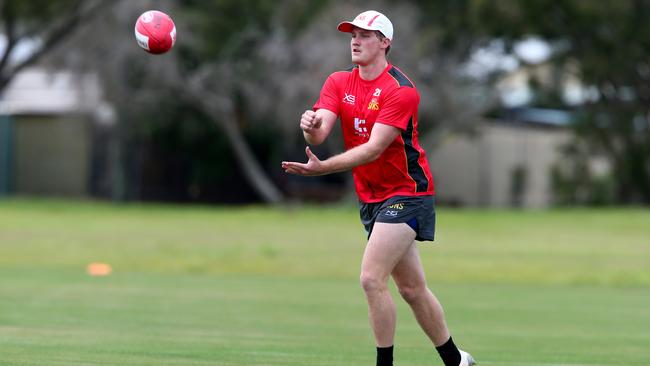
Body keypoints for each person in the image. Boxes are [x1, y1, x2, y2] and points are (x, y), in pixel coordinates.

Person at [281, 10, 476, 366]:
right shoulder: (338, 82)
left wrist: (322, 169)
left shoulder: (400, 91)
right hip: (371, 196)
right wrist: (309, 126)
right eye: (352, 34)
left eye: (365, 35)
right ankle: (456, 360)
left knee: (371, 279)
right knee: (412, 290)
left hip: (408, 192)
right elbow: (320, 130)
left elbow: (373, 148)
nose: (355, 40)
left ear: (385, 42)